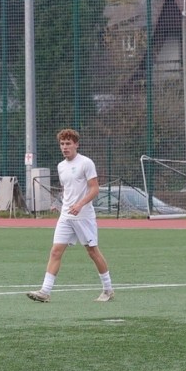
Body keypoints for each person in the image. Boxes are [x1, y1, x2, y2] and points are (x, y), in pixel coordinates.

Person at [27, 128, 114, 303]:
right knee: (55, 251)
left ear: (76, 145)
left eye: (68, 143)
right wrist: (58, 203)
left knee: (92, 252)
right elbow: (67, 189)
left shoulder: (86, 163)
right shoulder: (61, 166)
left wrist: (80, 204)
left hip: (84, 216)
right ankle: (45, 291)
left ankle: (108, 289)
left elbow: (94, 189)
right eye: (62, 144)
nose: (65, 147)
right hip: (66, 216)